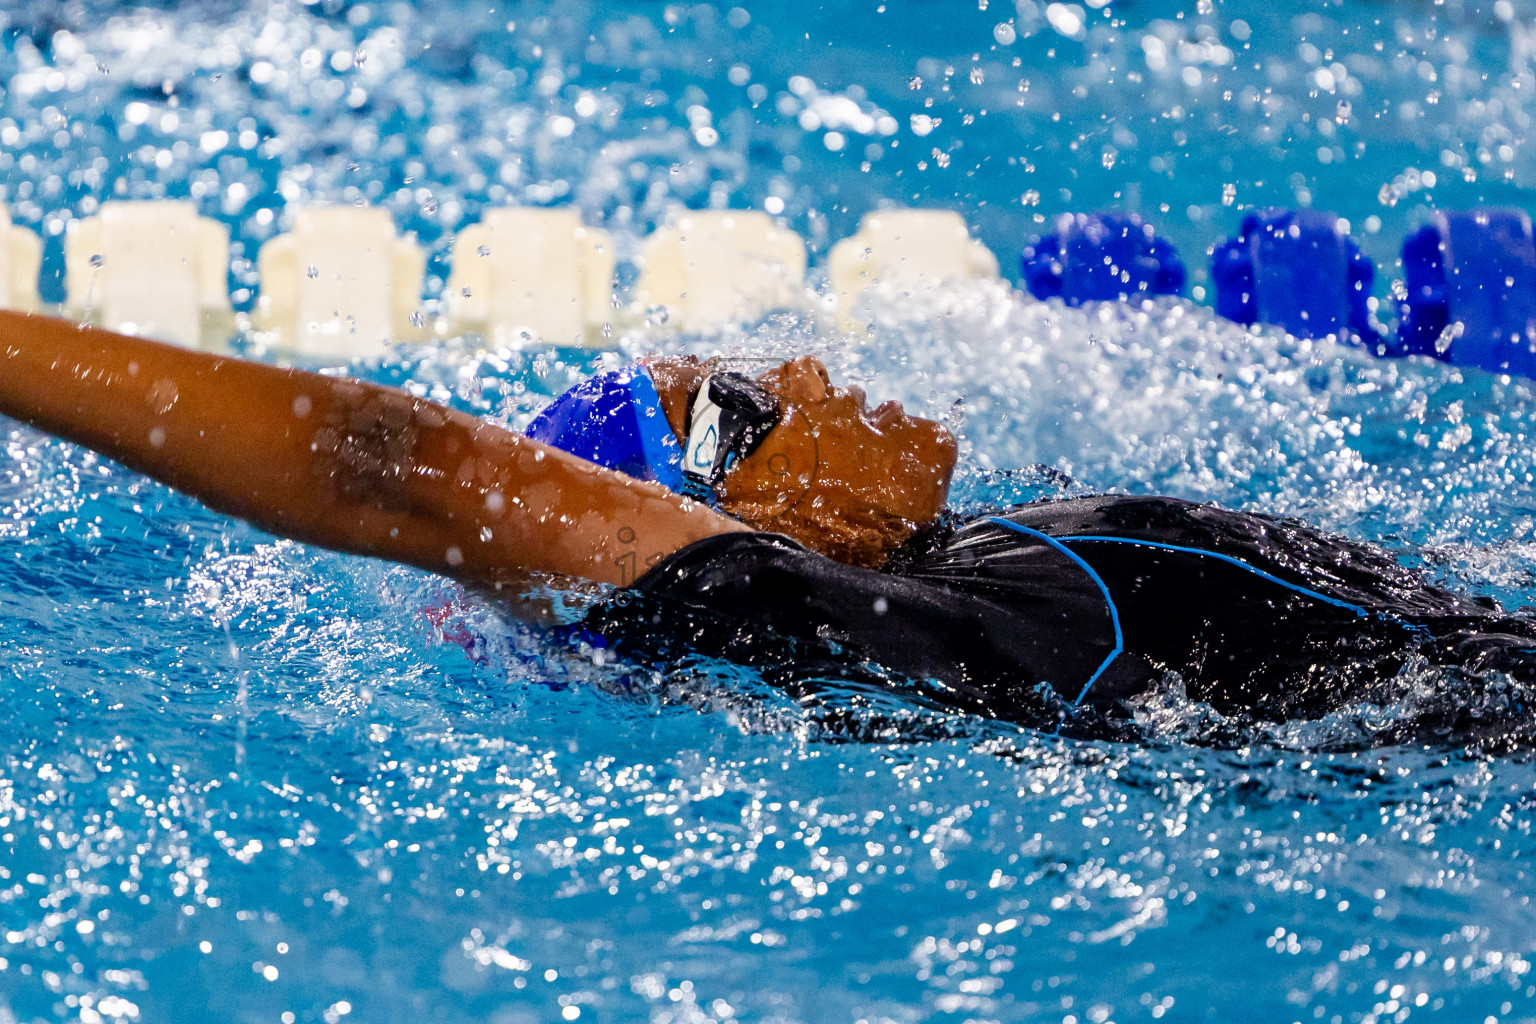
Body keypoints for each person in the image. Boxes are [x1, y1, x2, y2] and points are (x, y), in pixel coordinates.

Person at [0, 309, 1531, 747]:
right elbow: (383, 461)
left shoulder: (979, 556)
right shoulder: (806, 607)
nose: (800, 371)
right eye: (735, 405)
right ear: (698, 521)